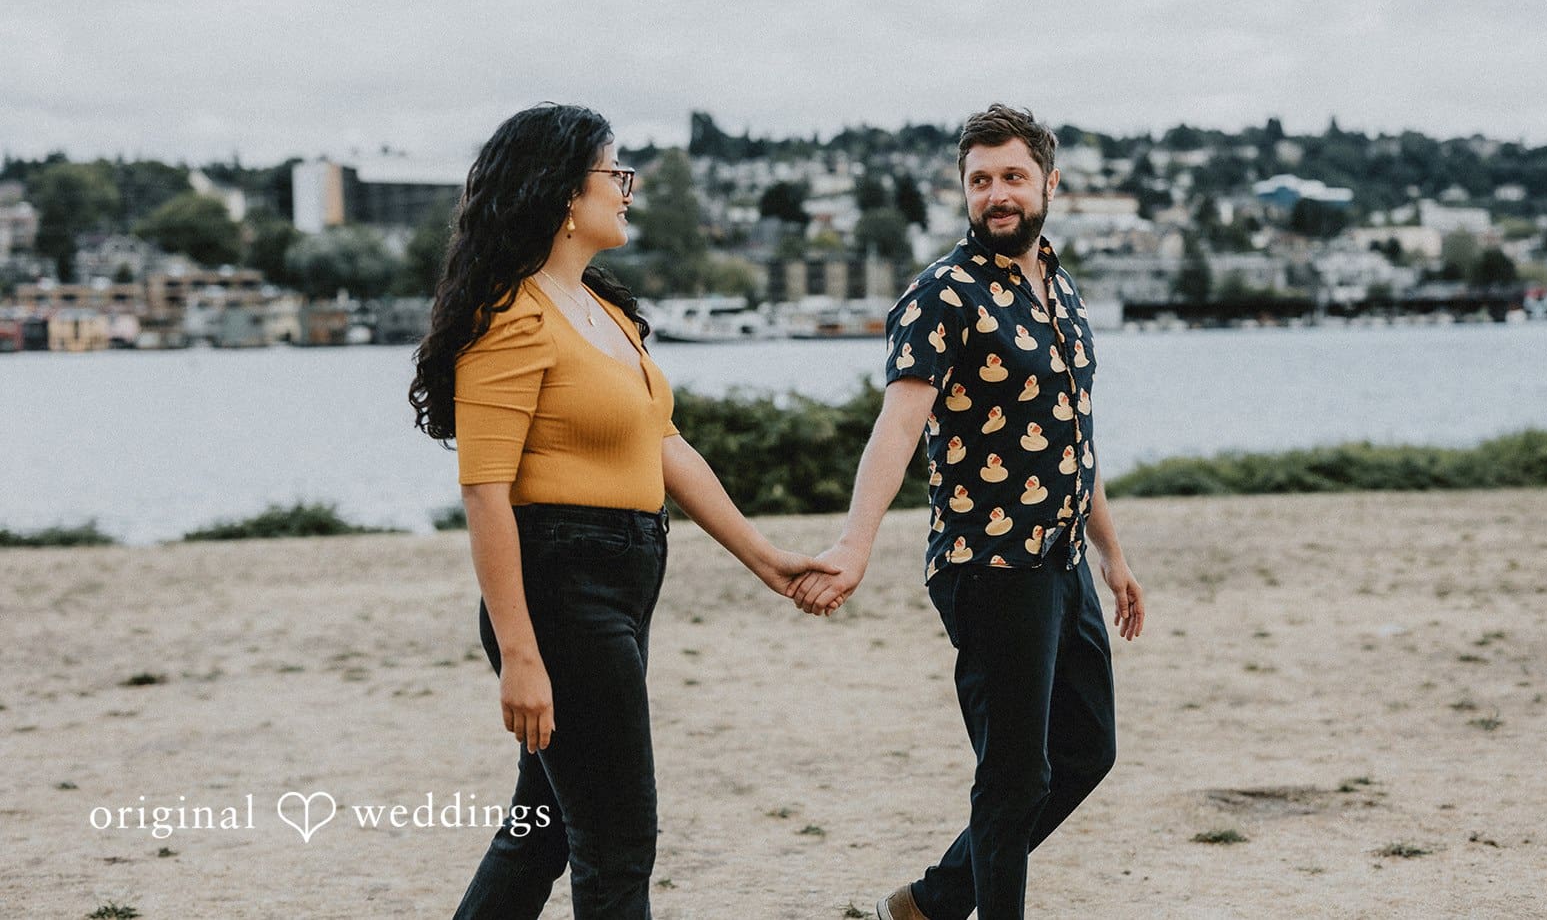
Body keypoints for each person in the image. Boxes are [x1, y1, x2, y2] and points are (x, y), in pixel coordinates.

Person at [408, 103, 833, 918]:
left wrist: (766, 557)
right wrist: (522, 654)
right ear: (568, 193)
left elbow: (666, 447)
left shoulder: (603, 312)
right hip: (560, 589)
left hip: (621, 580)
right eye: (617, 173)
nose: (627, 191)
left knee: (544, 830)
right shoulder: (510, 317)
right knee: (619, 839)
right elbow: (485, 491)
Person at [790, 104, 1147, 920]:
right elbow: (899, 425)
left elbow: (1074, 439)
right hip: (989, 568)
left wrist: (1112, 555)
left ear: (1048, 184)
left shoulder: (1059, 287)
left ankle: (931, 901)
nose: (997, 194)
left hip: (1060, 562)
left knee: (1087, 749)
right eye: (980, 180)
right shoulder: (943, 294)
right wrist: (856, 540)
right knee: (1014, 777)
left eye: (1013, 176)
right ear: (963, 190)